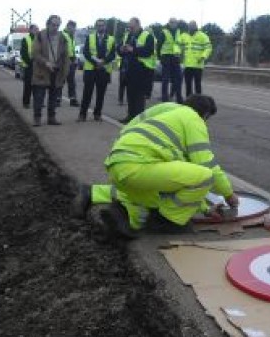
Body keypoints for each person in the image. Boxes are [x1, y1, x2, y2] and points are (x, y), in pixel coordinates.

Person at [71, 95, 239, 238]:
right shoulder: (193, 118)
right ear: (205, 114)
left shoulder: (167, 110)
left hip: (118, 161)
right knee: (204, 177)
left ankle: (103, 202)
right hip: (139, 166)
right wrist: (229, 194)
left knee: (152, 196)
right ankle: (167, 222)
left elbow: (181, 175)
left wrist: (206, 208)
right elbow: (207, 166)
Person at [31, 15, 70, 126]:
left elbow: (65, 56)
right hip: (42, 71)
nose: (55, 27)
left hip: (56, 71)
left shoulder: (62, 37)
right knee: (39, 96)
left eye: (58, 25)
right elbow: (35, 53)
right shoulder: (40, 35)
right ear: (47, 24)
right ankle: (37, 118)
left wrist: (65, 72)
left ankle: (51, 117)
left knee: (53, 97)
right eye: (53, 24)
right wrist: (46, 63)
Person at [117, 17, 155, 123]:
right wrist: (120, 49)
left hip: (142, 71)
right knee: (130, 95)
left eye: (132, 27)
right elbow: (119, 48)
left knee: (139, 97)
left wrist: (132, 49)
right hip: (128, 70)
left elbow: (148, 51)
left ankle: (139, 120)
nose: (130, 29)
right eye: (129, 27)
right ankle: (130, 116)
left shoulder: (147, 36)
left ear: (138, 25)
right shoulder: (127, 35)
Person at [78, 19, 116, 122]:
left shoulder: (111, 39)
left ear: (105, 27)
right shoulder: (89, 37)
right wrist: (96, 63)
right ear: (96, 27)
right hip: (90, 69)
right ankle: (82, 114)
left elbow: (112, 54)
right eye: (98, 26)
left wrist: (103, 62)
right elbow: (86, 52)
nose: (100, 27)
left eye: (102, 25)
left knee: (101, 94)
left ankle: (97, 114)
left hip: (104, 70)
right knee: (87, 93)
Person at [156, 18, 183, 103]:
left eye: (175, 23)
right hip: (166, 57)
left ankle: (179, 98)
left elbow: (179, 44)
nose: (174, 24)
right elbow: (158, 46)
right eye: (172, 23)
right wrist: (160, 57)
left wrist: (179, 54)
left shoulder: (178, 32)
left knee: (178, 78)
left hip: (175, 57)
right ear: (169, 23)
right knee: (166, 79)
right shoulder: (164, 32)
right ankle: (165, 98)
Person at [182, 21, 212, 96]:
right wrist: (177, 52)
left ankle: (199, 100)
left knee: (197, 84)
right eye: (189, 26)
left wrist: (203, 56)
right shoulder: (184, 36)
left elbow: (208, 48)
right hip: (187, 65)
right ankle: (189, 99)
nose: (191, 28)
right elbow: (177, 44)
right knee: (188, 84)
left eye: (192, 26)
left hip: (198, 65)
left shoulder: (203, 36)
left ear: (196, 27)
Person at [19, 24, 39, 108]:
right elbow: (23, 53)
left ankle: (37, 102)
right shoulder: (26, 39)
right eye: (35, 29)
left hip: (38, 66)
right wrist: (30, 63)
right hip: (28, 66)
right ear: (30, 30)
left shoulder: (39, 39)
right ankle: (26, 103)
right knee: (28, 86)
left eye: (37, 29)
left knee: (37, 86)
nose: (37, 30)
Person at [60, 20, 79, 107]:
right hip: (63, 61)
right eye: (73, 28)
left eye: (75, 28)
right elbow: (60, 49)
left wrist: (74, 58)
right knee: (61, 80)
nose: (74, 29)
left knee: (71, 81)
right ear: (69, 26)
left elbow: (72, 49)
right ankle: (57, 99)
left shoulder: (71, 36)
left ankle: (73, 99)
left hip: (71, 61)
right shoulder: (63, 35)